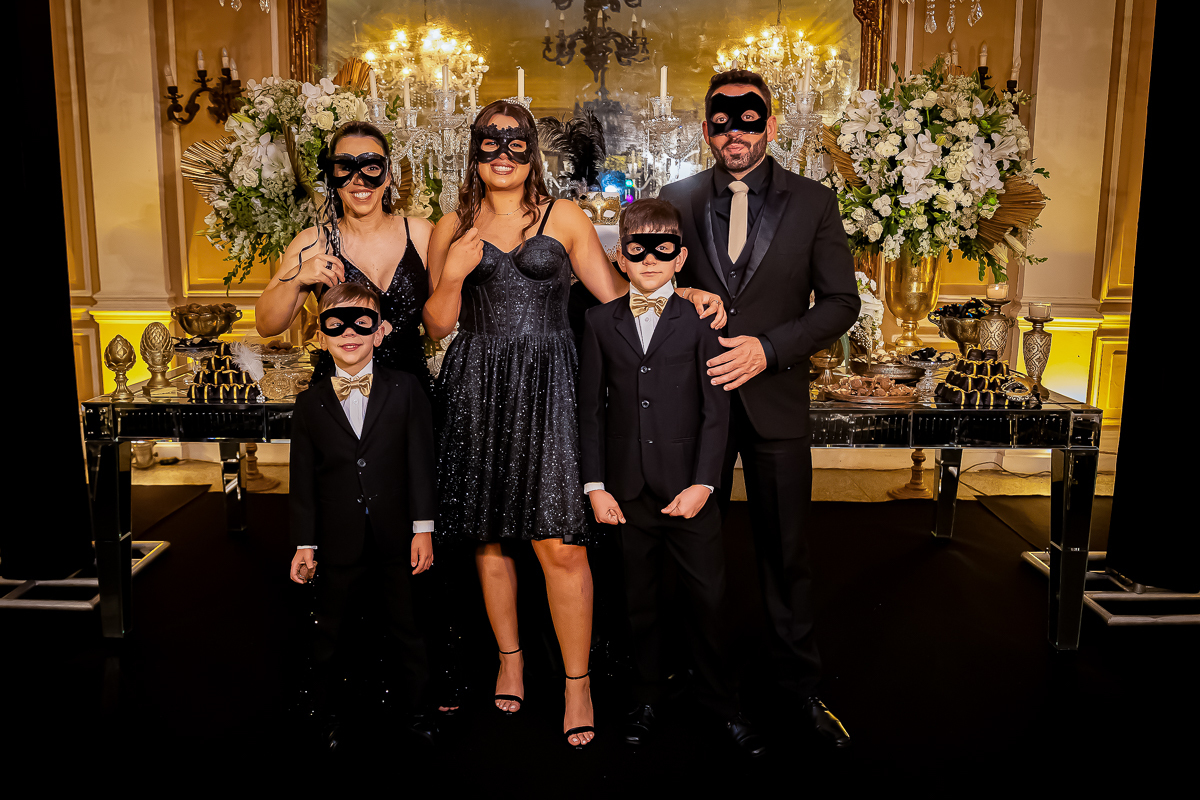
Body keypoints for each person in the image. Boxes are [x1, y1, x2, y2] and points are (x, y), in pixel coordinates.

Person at [423, 100, 726, 749]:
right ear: (474, 151)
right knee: (489, 539)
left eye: (515, 142)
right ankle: (510, 660)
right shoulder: (451, 224)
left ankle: (577, 682)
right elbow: (438, 324)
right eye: (489, 142)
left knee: (560, 544)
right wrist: (452, 273)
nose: (502, 154)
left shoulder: (563, 217)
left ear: (533, 150)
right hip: (477, 384)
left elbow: (618, 298)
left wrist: (683, 295)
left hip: (551, 385)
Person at [657, 69, 860, 748]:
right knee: (694, 554)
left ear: (770, 124)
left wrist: (768, 350)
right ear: (705, 128)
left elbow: (841, 302)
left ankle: (797, 690)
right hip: (695, 407)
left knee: (786, 554)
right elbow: (648, 283)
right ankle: (705, 687)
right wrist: (681, 295)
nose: (734, 133)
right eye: (721, 122)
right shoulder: (677, 199)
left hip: (775, 400)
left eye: (749, 119)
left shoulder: (814, 202)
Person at [577, 198, 766, 757]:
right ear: (620, 256)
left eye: (663, 250)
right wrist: (595, 486)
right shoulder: (598, 322)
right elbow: (590, 411)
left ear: (680, 258)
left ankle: (721, 703)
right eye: (638, 250)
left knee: (707, 599)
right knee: (639, 601)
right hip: (626, 491)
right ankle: (646, 697)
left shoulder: (703, 321)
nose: (650, 259)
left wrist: (705, 483)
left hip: (690, 488)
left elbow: (716, 411)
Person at [288, 281, 438, 751]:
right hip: (337, 538)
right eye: (336, 325)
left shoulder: (406, 388)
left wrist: (423, 529)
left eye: (362, 323)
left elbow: (421, 462)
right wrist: (305, 542)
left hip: (397, 534)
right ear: (320, 336)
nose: (349, 333)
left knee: (407, 626)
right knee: (331, 631)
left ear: (381, 330)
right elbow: (302, 481)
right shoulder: (308, 404)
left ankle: (418, 713)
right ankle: (329, 715)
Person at [255, 120, 436, 393]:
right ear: (332, 176)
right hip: (338, 397)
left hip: (412, 396)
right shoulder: (313, 242)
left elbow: (441, 323)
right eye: (346, 168)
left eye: (371, 167)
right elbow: (266, 326)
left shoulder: (420, 233)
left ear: (388, 175)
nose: (359, 179)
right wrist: (297, 277)